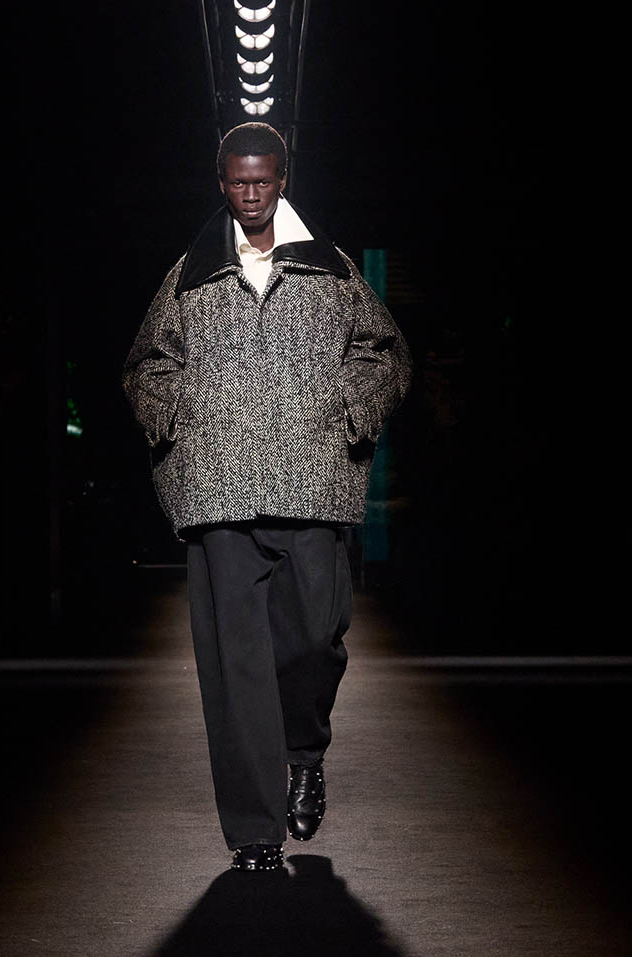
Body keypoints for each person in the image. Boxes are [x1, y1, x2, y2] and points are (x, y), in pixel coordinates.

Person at [122, 122, 412, 872]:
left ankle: (304, 754)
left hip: (312, 481)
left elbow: (385, 352)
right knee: (236, 664)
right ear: (220, 180)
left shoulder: (330, 270)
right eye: (237, 180)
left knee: (316, 638)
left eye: (263, 179)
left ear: (283, 179)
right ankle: (253, 829)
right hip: (218, 487)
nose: (250, 193)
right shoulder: (191, 276)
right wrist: (177, 416)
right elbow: (147, 363)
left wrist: (350, 407)